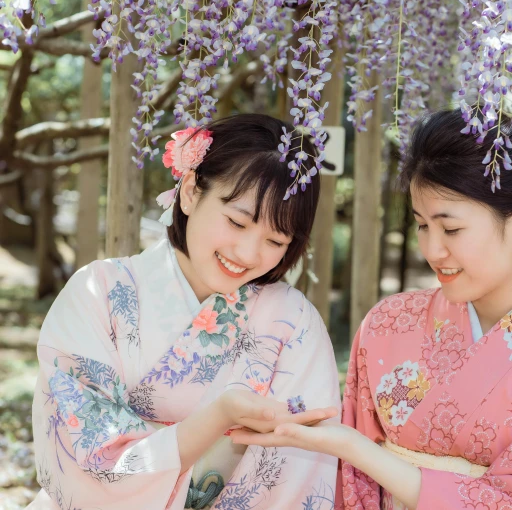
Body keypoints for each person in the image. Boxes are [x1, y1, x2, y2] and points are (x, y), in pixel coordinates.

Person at [232, 109, 512, 509]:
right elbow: (351, 486)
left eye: (451, 228)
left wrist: (354, 448)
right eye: (422, 225)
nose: (432, 249)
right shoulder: (389, 323)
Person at [27, 113, 341, 510]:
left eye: (275, 239)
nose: (247, 254)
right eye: (237, 221)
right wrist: (217, 417)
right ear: (191, 191)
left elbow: (299, 477)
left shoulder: (295, 323)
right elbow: (82, 454)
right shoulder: (99, 294)